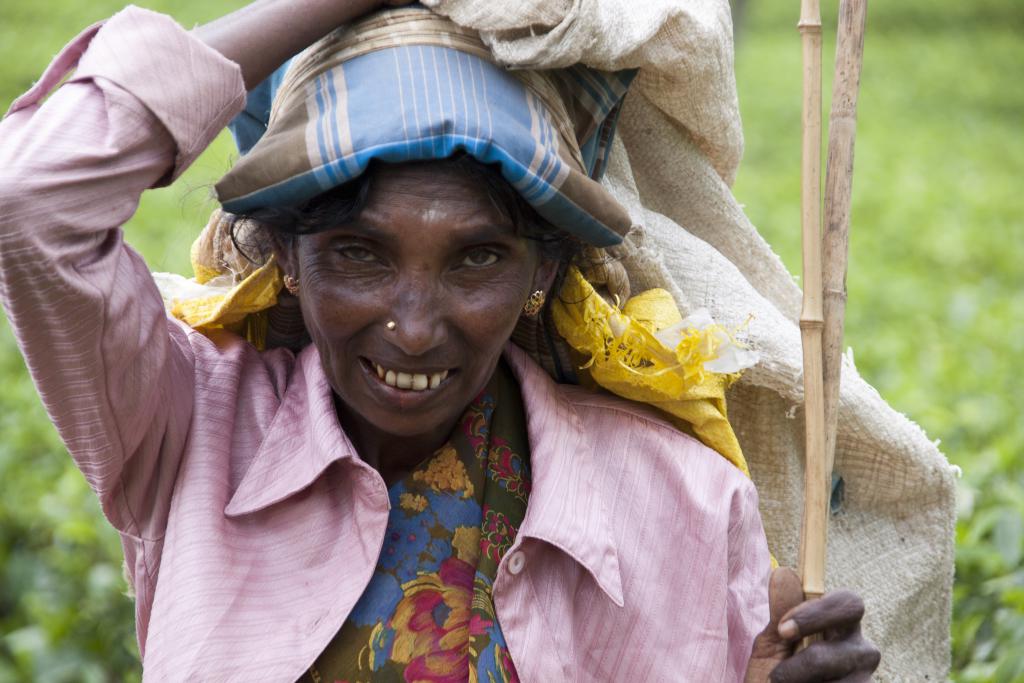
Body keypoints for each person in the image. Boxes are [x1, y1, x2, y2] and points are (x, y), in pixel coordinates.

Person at [0, 0, 880, 680]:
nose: (414, 328)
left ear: (541, 273)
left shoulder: (684, 502)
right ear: (287, 260)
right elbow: (31, 200)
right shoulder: (186, 425)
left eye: (477, 259)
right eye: (359, 253)